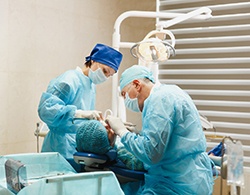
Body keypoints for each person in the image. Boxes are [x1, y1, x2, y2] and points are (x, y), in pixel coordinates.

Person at [105, 65, 214, 195]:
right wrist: (136, 134)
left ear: (137, 85)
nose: (126, 100)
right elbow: (169, 139)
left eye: (125, 94)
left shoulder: (159, 100)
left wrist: (122, 132)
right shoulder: (171, 91)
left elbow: (151, 153)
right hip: (193, 178)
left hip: (175, 184)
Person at [38, 43, 123, 172]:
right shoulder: (69, 79)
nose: (105, 77)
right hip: (60, 146)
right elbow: (46, 110)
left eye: (109, 75)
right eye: (105, 71)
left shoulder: (90, 84)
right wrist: (80, 114)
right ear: (93, 60)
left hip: (76, 147)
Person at [75, 119, 145, 171]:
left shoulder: (91, 145)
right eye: (107, 130)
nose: (110, 127)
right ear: (110, 145)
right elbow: (150, 158)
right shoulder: (124, 155)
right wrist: (140, 135)